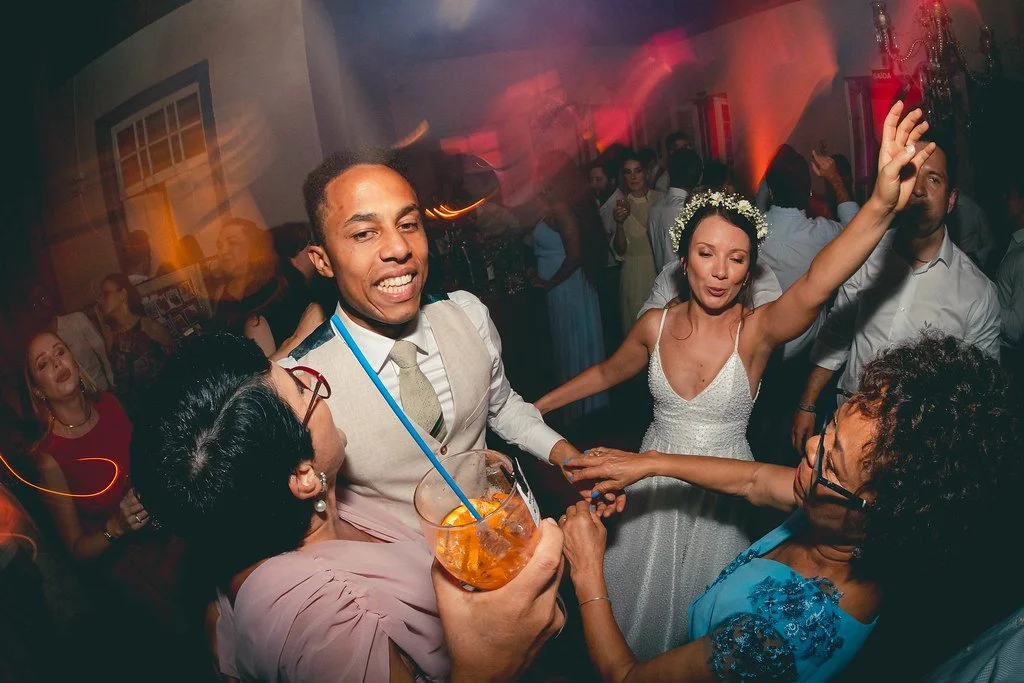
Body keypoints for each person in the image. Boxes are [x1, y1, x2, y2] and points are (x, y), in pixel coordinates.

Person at [535, 101, 938, 658]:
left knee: (708, 629)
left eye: (737, 259)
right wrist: (539, 406)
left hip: (724, 494)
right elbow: (608, 371)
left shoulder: (755, 333)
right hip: (651, 483)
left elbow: (818, 282)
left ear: (750, 269)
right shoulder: (655, 326)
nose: (721, 271)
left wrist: (879, 205)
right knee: (638, 609)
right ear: (683, 259)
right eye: (707, 254)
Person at [558, 335, 1020, 682]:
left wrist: (587, 570)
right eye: (830, 428)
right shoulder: (836, 518)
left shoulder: (776, 637)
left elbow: (627, 677)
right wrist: (649, 463)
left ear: (883, 514)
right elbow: (755, 480)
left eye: (832, 461)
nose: (812, 447)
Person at [132, 333, 567, 682]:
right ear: (302, 476)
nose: (319, 388)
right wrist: (488, 667)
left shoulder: (271, 509)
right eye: (303, 389)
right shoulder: (320, 621)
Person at [288, 148, 599, 531]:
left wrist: (565, 455)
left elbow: (502, 408)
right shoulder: (300, 385)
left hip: (506, 542)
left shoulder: (467, 314)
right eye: (364, 233)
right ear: (322, 261)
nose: (399, 248)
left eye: (408, 224)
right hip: (402, 568)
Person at [791, 133, 1001, 451]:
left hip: (918, 448)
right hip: (845, 430)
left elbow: (981, 393)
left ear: (951, 199)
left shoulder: (978, 294)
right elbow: (837, 335)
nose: (918, 189)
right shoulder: (865, 257)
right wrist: (807, 403)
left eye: (933, 179)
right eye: (910, 174)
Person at [23, 331, 196, 679]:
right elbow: (76, 549)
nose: (56, 363)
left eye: (60, 351)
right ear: (38, 390)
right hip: (137, 575)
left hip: (175, 538)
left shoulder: (109, 404)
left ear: (74, 359)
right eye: (43, 364)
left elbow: (147, 465)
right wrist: (115, 526)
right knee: (192, 654)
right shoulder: (50, 458)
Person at [532, 152, 609, 422]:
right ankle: (582, 410)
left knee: (574, 344)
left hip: (567, 287)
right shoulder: (556, 203)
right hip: (565, 286)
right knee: (571, 345)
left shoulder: (563, 206)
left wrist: (548, 283)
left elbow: (575, 255)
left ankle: (583, 413)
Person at [761, 145, 857, 361]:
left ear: (771, 192)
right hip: (809, 353)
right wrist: (835, 181)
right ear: (808, 191)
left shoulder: (751, 231)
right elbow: (859, 230)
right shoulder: (821, 233)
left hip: (764, 349)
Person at [211, 217, 305, 356]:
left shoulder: (276, 285)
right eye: (219, 246)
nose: (223, 251)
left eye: (232, 243)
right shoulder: (221, 292)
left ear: (253, 246)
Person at [95, 273, 174, 414]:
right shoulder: (111, 341)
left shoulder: (150, 328)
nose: (100, 300)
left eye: (105, 294)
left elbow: (176, 365)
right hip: (140, 417)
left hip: (169, 407)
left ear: (122, 294)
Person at [29, 285, 114, 392]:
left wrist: (113, 384)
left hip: (103, 389)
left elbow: (103, 353)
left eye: (43, 297)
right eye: (35, 304)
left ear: (50, 298)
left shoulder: (77, 321)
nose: (41, 304)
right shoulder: (42, 347)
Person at [613, 151, 662, 332]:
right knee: (638, 330)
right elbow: (620, 250)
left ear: (646, 173)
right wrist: (619, 223)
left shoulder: (661, 199)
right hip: (634, 275)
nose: (633, 177)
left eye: (637, 171)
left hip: (659, 270)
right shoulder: (621, 205)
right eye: (628, 172)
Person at [647, 148, 702, 272]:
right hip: (682, 279)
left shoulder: (655, 208)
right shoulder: (687, 210)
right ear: (698, 176)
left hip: (662, 280)